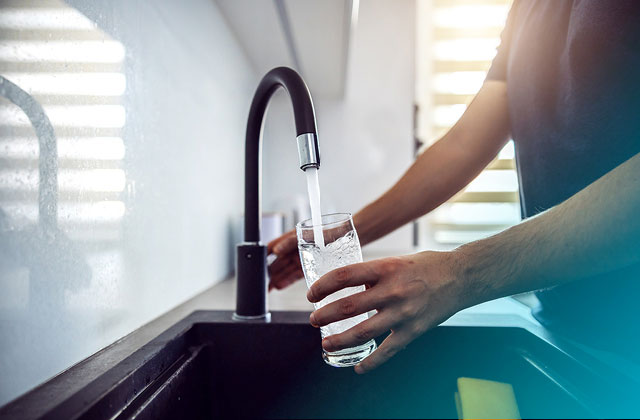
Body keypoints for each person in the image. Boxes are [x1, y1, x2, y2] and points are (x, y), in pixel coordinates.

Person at [267, 0, 640, 374]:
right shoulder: (527, 8)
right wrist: (339, 239)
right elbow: (464, 144)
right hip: (564, 324)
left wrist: (459, 273)